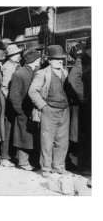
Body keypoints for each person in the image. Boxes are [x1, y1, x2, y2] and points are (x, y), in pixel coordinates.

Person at [28, 45, 70, 177]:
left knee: (62, 141)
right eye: (56, 59)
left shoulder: (65, 72)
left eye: (61, 59)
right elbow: (32, 91)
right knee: (47, 140)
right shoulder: (42, 73)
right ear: (49, 60)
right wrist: (43, 106)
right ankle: (46, 168)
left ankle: (59, 166)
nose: (60, 61)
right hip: (49, 110)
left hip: (64, 110)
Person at [9, 49, 41, 171]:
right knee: (23, 136)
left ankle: (30, 160)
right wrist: (19, 111)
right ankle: (23, 162)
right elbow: (14, 95)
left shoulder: (35, 71)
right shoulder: (19, 73)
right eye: (38, 59)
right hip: (23, 110)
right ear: (33, 60)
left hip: (31, 110)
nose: (40, 61)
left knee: (30, 136)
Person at [68, 39, 91, 173]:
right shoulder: (81, 61)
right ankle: (84, 166)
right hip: (86, 105)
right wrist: (83, 96)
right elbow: (73, 80)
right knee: (85, 135)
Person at [1, 44, 23, 167]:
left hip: (13, 101)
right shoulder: (8, 67)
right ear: (11, 56)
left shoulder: (16, 65)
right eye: (17, 54)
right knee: (8, 129)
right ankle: (4, 157)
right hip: (9, 103)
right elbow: (5, 87)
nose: (19, 56)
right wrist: (11, 101)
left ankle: (10, 155)